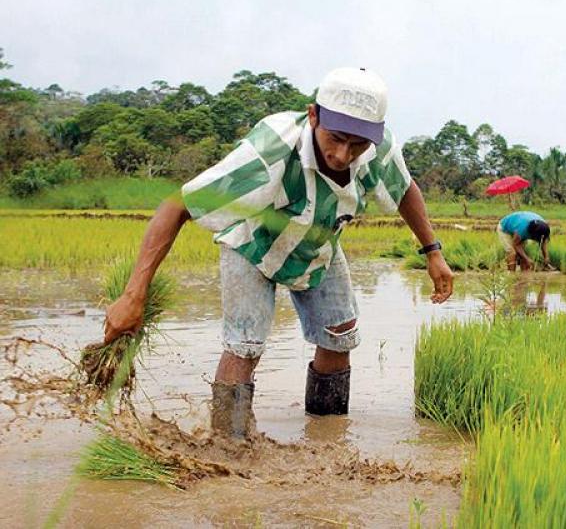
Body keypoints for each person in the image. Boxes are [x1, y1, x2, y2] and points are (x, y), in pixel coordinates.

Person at [102, 67, 454, 437]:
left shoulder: (379, 151)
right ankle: (229, 446)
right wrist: (133, 294)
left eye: (357, 145)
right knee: (245, 345)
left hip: (318, 245)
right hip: (252, 246)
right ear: (313, 115)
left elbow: (405, 189)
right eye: (335, 138)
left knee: (339, 337)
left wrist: (432, 252)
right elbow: (177, 206)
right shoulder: (268, 152)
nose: (342, 154)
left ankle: (326, 441)